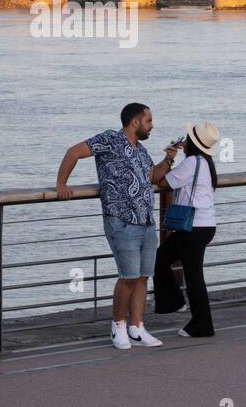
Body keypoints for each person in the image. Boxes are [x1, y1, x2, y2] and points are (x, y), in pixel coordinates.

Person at [56, 103, 179, 349]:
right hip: (121, 221)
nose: (152, 126)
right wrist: (61, 184)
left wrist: (169, 159)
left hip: (146, 221)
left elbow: (153, 177)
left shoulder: (142, 151)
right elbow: (73, 152)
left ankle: (137, 327)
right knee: (128, 277)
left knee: (144, 276)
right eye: (149, 121)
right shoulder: (109, 139)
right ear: (135, 122)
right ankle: (118, 326)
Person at [154, 121, 221, 338]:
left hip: (193, 228)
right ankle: (174, 302)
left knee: (193, 276)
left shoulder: (192, 163)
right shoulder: (206, 163)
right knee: (161, 258)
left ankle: (202, 325)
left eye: (187, 138)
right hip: (204, 225)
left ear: (191, 143)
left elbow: (164, 182)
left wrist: (169, 157)